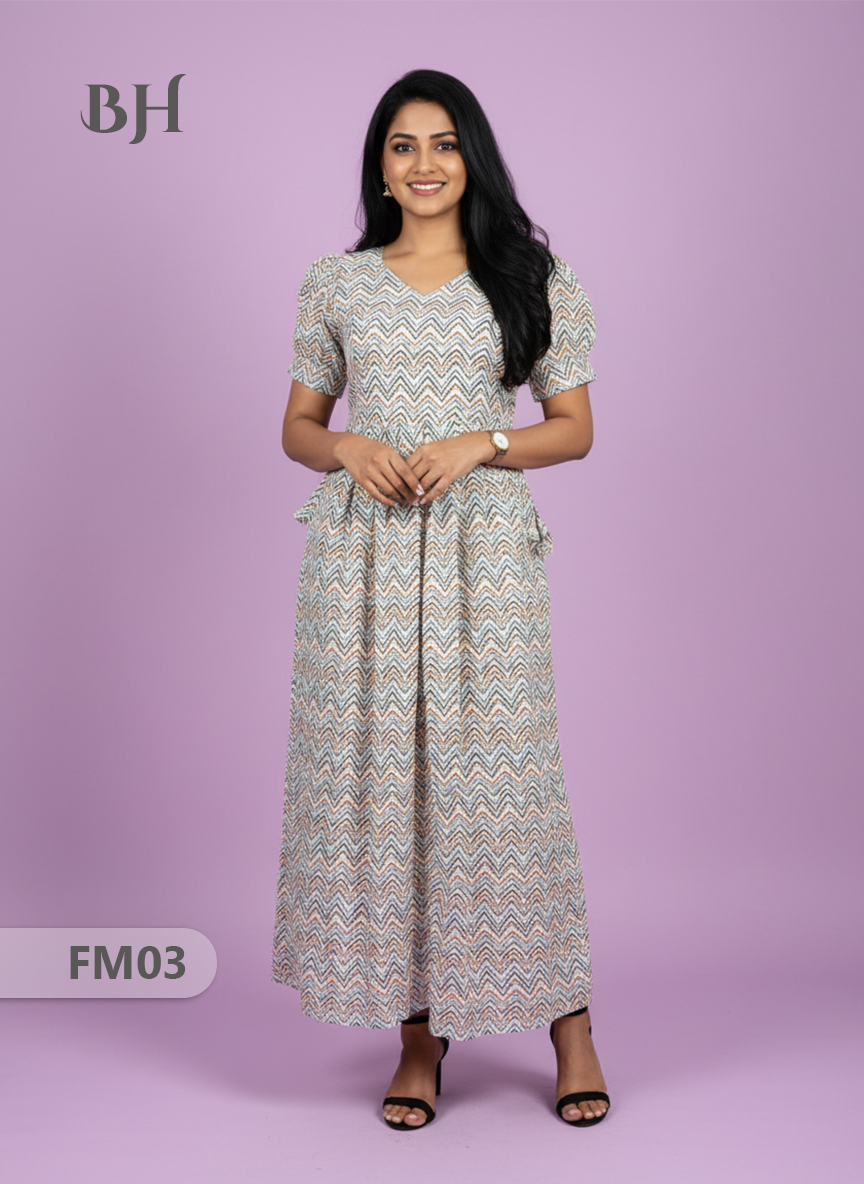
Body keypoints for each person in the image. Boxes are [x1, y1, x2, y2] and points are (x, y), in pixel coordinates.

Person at [271, 69, 610, 1131]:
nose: (425, 164)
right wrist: (346, 446)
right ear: (381, 166)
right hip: (362, 563)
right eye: (404, 145)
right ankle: (419, 1037)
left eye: (445, 143)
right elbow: (297, 427)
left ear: (473, 159)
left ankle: (570, 1023)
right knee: (390, 790)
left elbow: (574, 428)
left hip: (482, 560)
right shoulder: (337, 282)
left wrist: (483, 441)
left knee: (506, 787)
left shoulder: (530, 275)